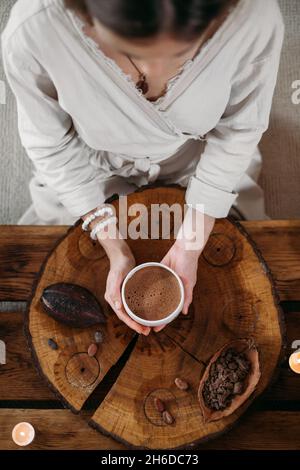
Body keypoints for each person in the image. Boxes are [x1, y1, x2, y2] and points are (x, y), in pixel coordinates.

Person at [2, 0, 284, 335]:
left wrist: (189, 246)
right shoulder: (35, 29)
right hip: (92, 164)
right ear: (86, 22)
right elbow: (52, 147)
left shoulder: (255, 16)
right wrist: (116, 248)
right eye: (129, 55)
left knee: (243, 266)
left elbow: (238, 129)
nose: (156, 76)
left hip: (195, 156)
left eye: (181, 56)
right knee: (53, 267)